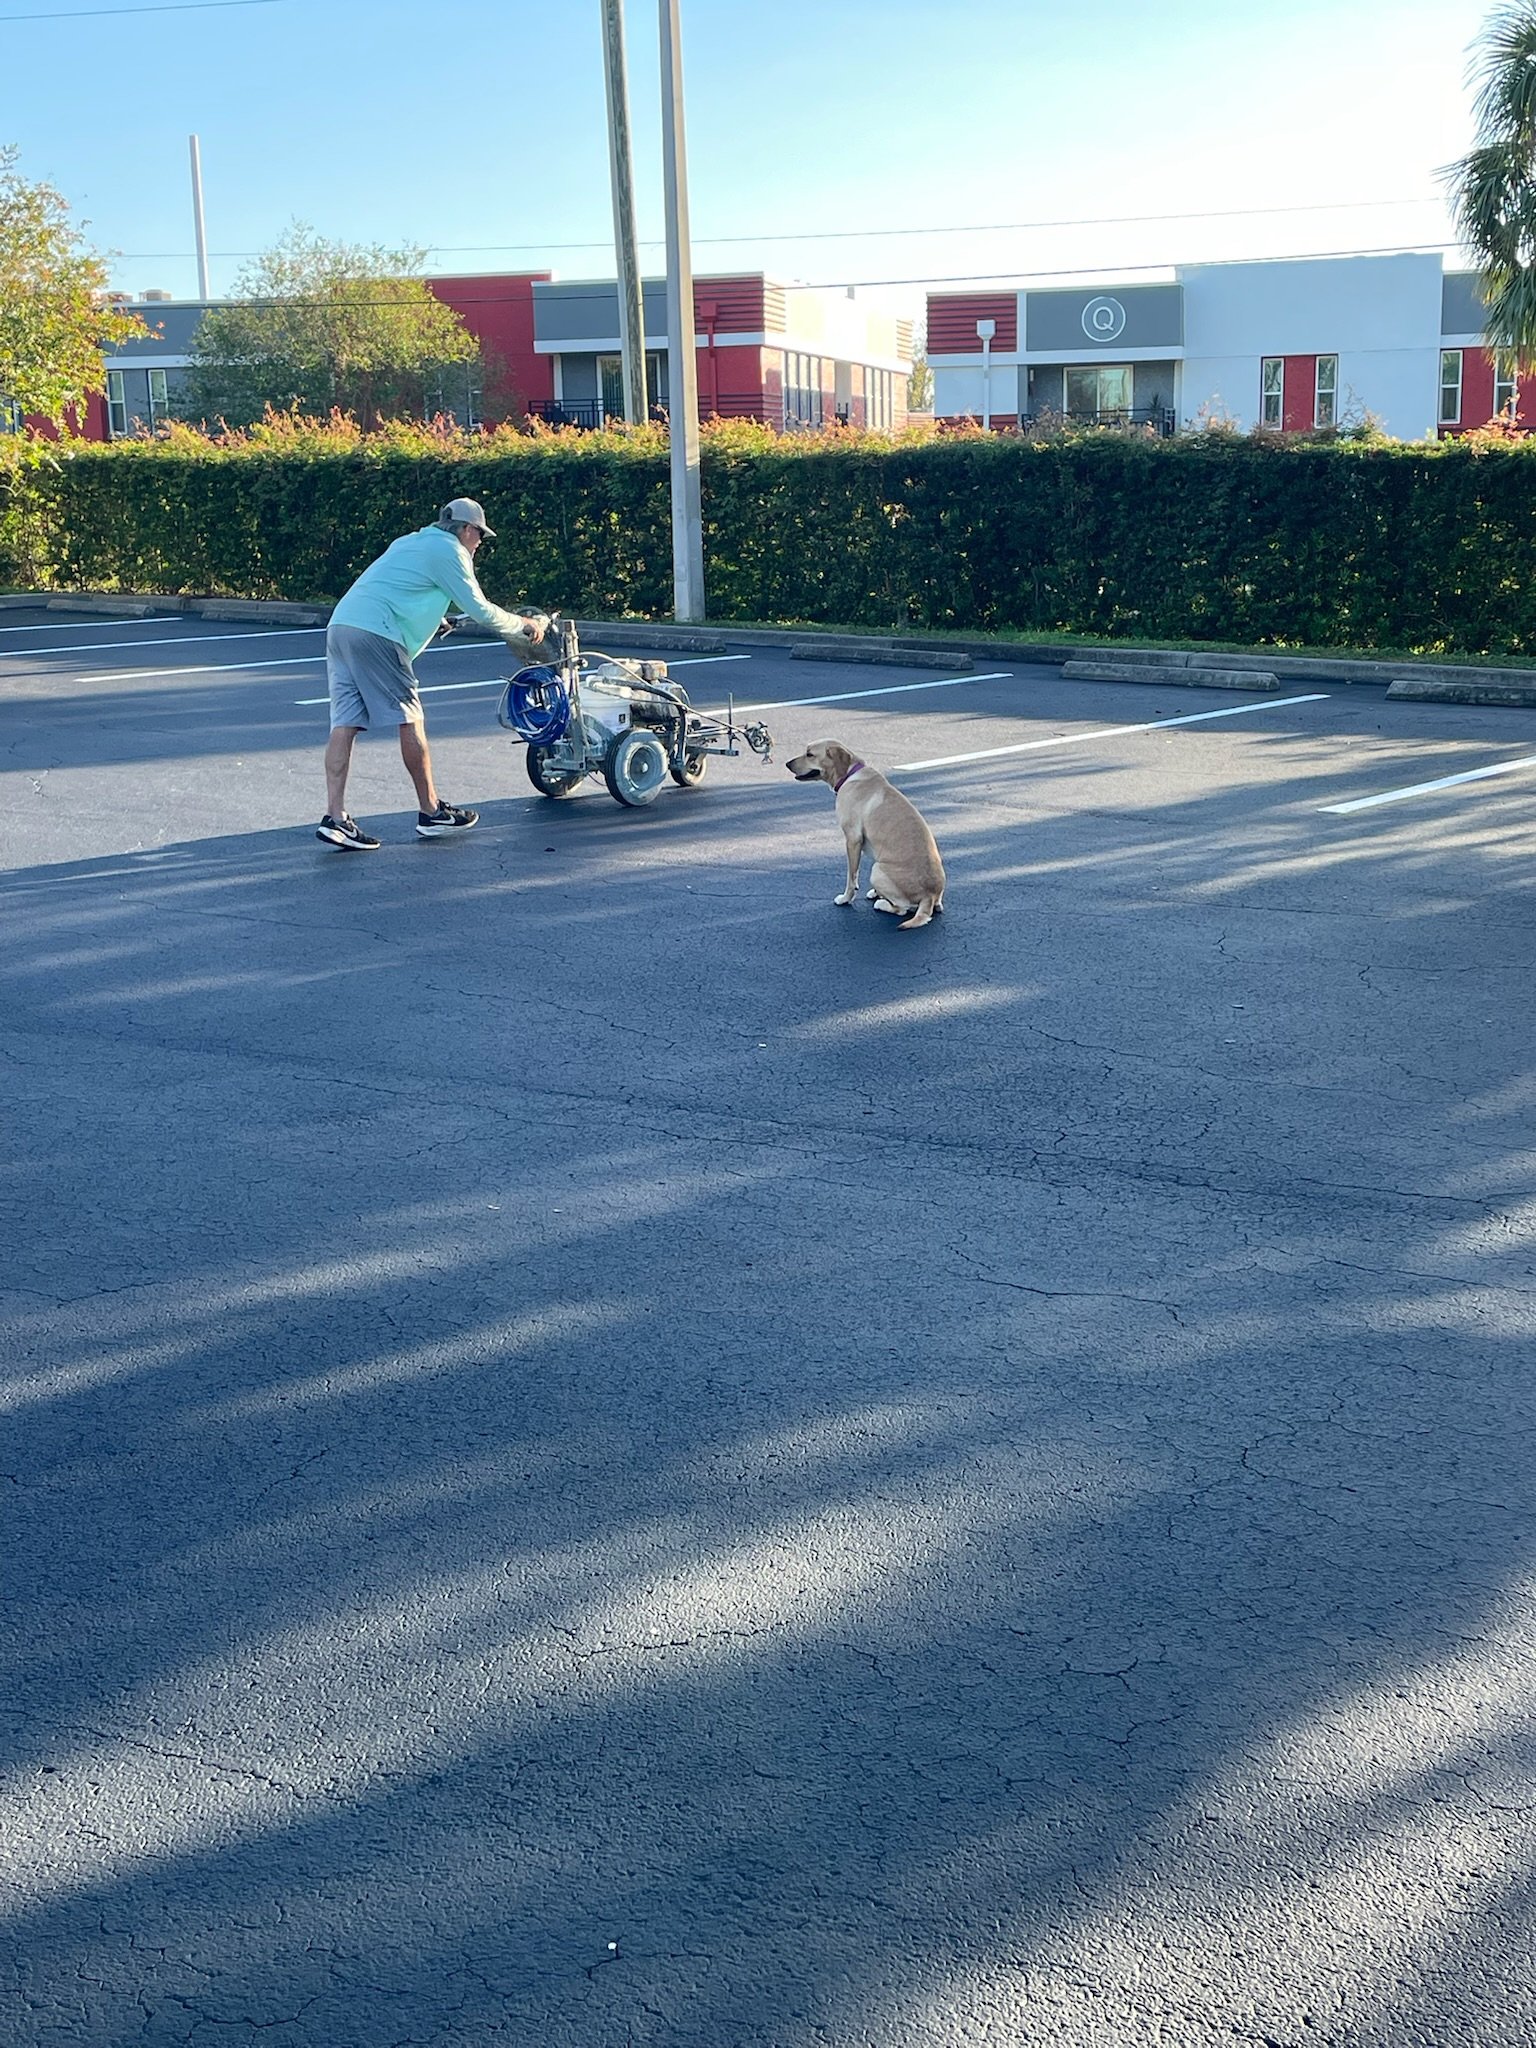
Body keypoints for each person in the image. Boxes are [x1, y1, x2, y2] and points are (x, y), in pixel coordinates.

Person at [316, 497, 551, 849]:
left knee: (344, 723)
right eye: (480, 536)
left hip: (342, 626)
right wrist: (524, 626)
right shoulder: (451, 552)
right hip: (377, 633)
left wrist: (434, 619)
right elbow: (482, 610)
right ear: (467, 529)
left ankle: (336, 819)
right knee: (410, 718)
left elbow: (399, 588)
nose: (479, 544)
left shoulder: (410, 542)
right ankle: (431, 812)